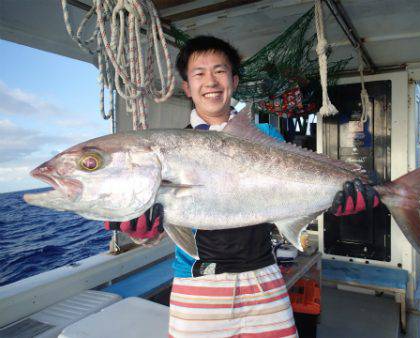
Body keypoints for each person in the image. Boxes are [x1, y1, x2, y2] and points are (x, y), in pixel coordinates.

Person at [105, 36, 379, 337]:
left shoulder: (263, 133)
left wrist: (338, 196)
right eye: (199, 73)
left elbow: (288, 191)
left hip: (263, 277)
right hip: (197, 285)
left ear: (234, 81)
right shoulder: (169, 149)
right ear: (187, 87)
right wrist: (144, 233)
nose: (210, 81)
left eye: (220, 71)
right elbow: (163, 228)